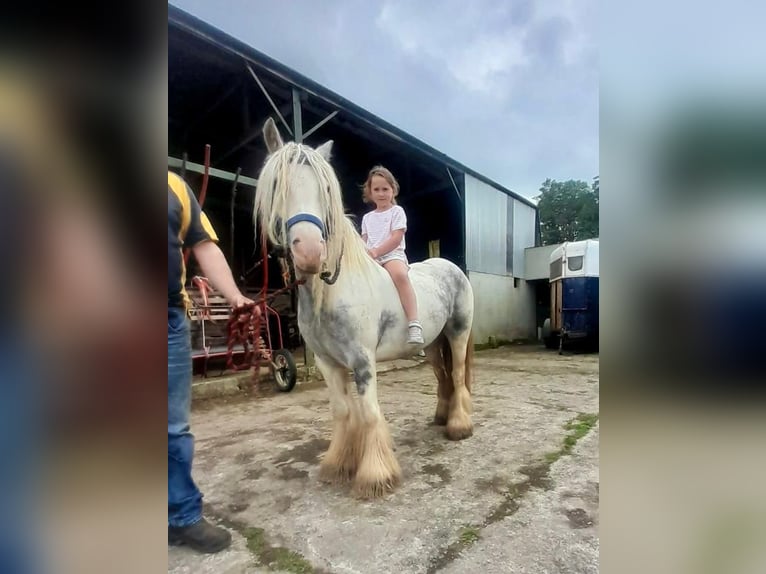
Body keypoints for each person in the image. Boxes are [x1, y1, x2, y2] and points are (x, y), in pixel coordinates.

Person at [167, 170, 253, 553]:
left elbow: (204, 246)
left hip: (166, 319)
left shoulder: (173, 187)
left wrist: (235, 296)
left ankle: (181, 516)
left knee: (173, 427)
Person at [360, 165, 424, 345]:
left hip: (391, 255)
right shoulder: (367, 218)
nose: (381, 193)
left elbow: (396, 238)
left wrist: (376, 251)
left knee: (400, 275)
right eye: (377, 190)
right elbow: (363, 239)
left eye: (385, 189)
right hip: (372, 257)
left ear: (393, 190)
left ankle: (414, 323)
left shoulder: (397, 212)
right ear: (370, 193)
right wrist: (362, 252)